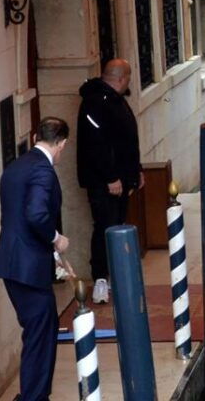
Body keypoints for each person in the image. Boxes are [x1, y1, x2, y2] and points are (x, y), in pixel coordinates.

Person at [0, 117, 73, 401]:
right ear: (61, 144)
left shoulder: (17, 166)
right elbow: (36, 214)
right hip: (27, 266)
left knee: (40, 327)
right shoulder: (43, 170)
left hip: (12, 262)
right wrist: (56, 240)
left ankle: (33, 395)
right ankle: (34, 398)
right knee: (41, 331)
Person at [77, 58, 142, 304]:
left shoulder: (117, 101)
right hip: (104, 182)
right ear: (122, 78)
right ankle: (100, 278)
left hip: (121, 179)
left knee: (117, 223)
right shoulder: (95, 103)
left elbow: (126, 140)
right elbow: (96, 145)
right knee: (104, 225)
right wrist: (111, 177)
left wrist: (135, 171)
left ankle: (116, 275)